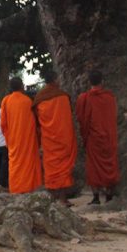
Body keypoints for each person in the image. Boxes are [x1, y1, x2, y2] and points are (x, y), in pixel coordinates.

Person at [33, 71, 78, 204]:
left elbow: (36, 121)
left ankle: (53, 198)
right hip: (63, 137)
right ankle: (63, 198)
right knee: (63, 168)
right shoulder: (63, 97)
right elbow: (67, 118)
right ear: (55, 80)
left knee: (51, 168)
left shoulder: (39, 98)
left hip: (48, 139)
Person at [76, 70, 120, 204]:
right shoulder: (110, 98)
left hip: (93, 138)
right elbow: (113, 117)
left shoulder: (84, 98)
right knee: (110, 165)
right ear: (102, 81)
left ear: (89, 82)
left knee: (93, 168)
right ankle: (109, 195)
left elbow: (81, 119)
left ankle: (95, 196)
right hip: (108, 136)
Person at [0, 78, 42, 194]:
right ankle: (29, 189)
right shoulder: (28, 101)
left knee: (15, 165)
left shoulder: (6, 101)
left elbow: (3, 124)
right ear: (22, 86)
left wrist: (9, 137)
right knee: (28, 164)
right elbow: (35, 122)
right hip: (28, 140)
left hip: (13, 140)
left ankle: (17, 190)